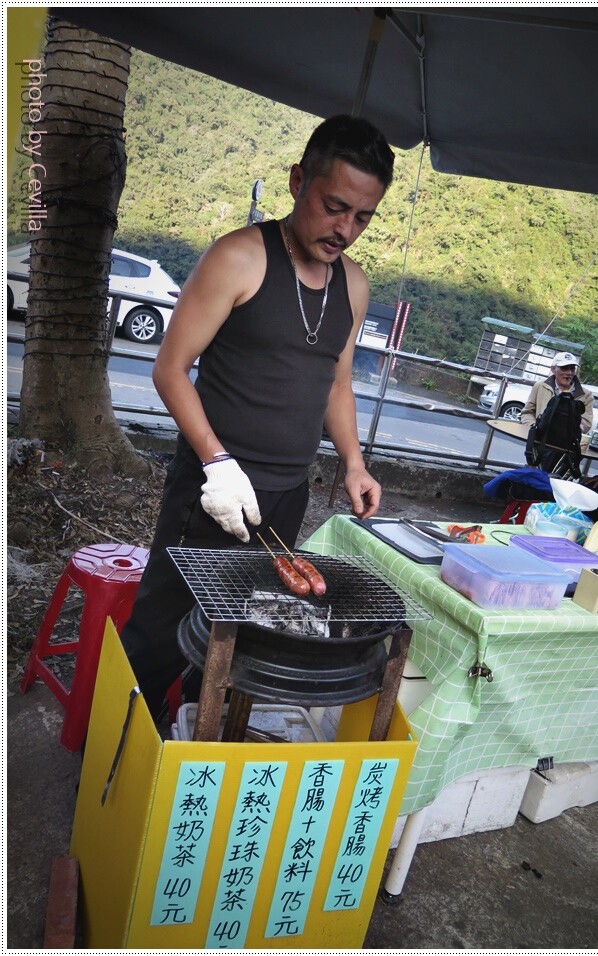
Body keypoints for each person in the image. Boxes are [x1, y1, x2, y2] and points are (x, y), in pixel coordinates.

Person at [120, 114, 395, 719]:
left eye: (362, 217)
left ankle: (195, 748)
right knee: (164, 629)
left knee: (239, 637)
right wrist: (217, 463)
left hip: (287, 492)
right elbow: (171, 367)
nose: (345, 229)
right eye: (334, 206)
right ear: (299, 181)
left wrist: (354, 463)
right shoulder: (240, 257)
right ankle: (116, 757)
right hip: (211, 487)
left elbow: (338, 383)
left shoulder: (353, 284)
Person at [521, 351, 594, 472]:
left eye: (572, 368)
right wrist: (534, 426)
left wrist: (575, 428)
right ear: (553, 369)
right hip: (540, 441)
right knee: (534, 475)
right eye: (564, 368)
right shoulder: (540, 386)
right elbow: (527, 412)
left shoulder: (585, 395)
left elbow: (587, 423)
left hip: (567, 447)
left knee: (555, 480)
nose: (569, 373)